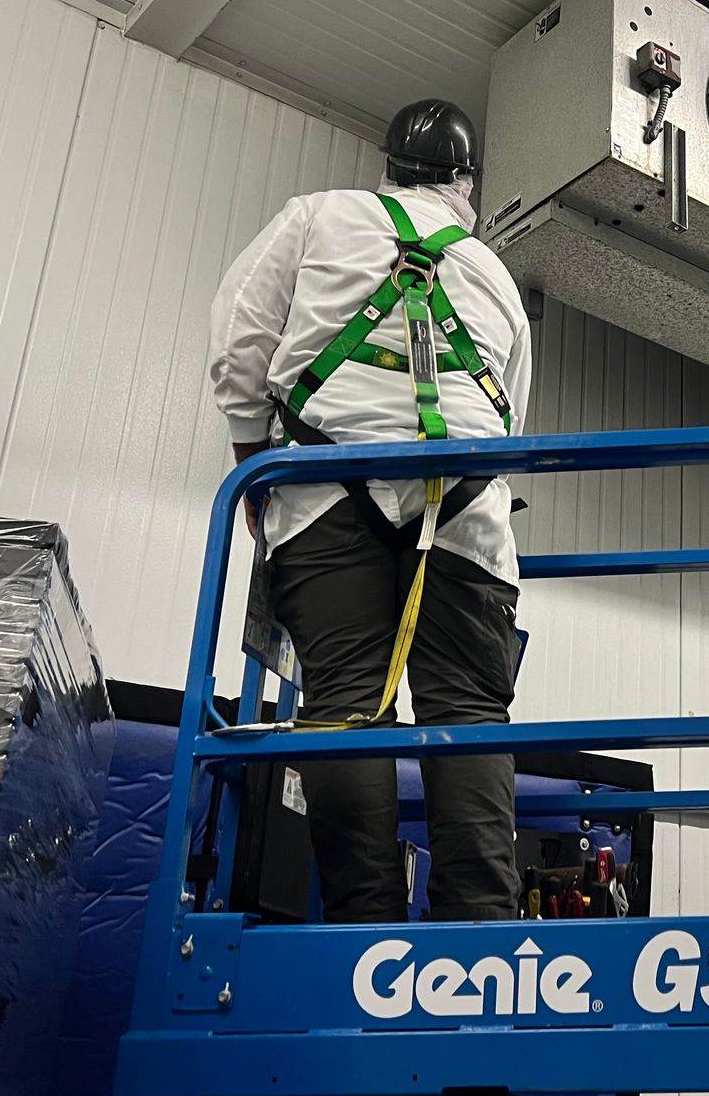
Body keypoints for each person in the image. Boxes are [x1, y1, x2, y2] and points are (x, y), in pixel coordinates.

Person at [207, 99, 531, 924]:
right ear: (466, 184)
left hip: (324, 493)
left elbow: (240, 341)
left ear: (387, 168)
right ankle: (482, 938)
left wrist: (253, 466)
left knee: (346, 704)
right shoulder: (496, 276)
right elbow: (511, 424)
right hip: (465, 513)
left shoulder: (315, 217)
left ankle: (363, 932)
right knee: (469, 710)